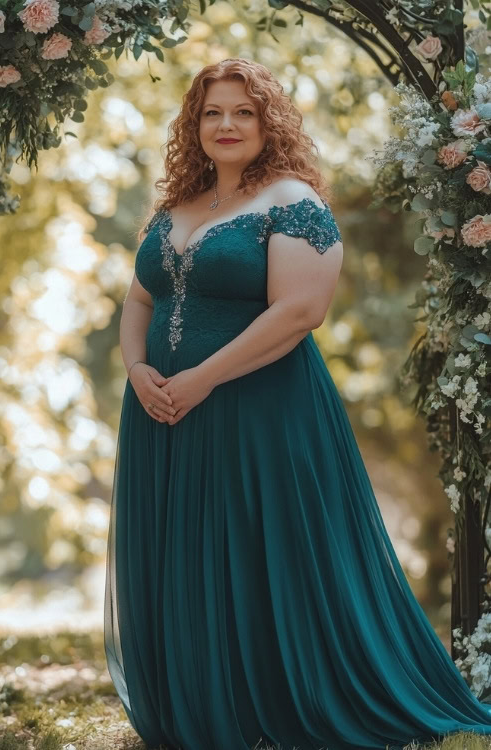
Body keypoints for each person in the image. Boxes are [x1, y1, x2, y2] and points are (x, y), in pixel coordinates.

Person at [104, 58, 491, 750]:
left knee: (257, 550)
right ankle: (198, 701)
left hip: (257, 409)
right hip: (160, 410)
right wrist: (137, 369)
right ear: (194, 125)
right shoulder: (173, 209)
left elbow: (299, 313)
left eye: (243, 112)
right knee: (181, 557)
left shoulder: (292, 201)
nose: (226, 125)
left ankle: (277, 702)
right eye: (213, 112)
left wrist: (202, 380)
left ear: (268, 122)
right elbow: (139, 299)